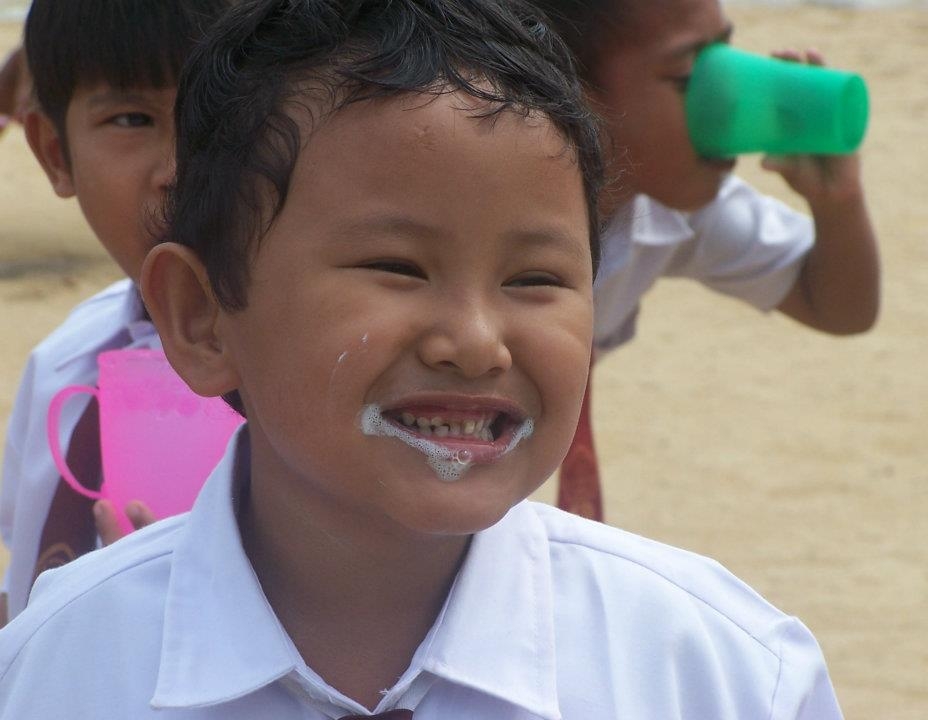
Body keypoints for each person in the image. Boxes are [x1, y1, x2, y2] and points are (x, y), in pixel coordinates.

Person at [0, 1, 844, 717]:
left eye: (538, 277)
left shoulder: (723, 677)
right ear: (202, 317)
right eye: (397, 268)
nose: (476, 340)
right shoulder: (56, 672)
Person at [532, 0, 882, 520]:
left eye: (726, 53)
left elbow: (838, 307)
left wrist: (838, 203)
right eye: (692, 75)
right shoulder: (480, 207)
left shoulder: (668, 207)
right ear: (570, 89)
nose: (728, 96)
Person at [0, 0, 235, 626]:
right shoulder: (60, 363)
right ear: (55, 154)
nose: (178, 169)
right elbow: (23, 577)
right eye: (132, 118)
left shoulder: (324, 391)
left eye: (221, 115)